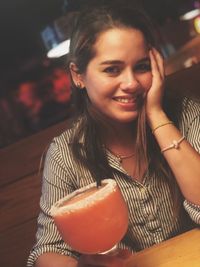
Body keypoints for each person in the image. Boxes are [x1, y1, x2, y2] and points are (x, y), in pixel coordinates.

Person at [27, 4, 200, 267]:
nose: (131, 83)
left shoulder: (186, 112)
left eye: (141, 66)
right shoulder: (66, 153)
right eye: (112, 69)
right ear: (78, 75)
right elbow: (49, 250)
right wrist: (83, 264)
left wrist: (156, 114)